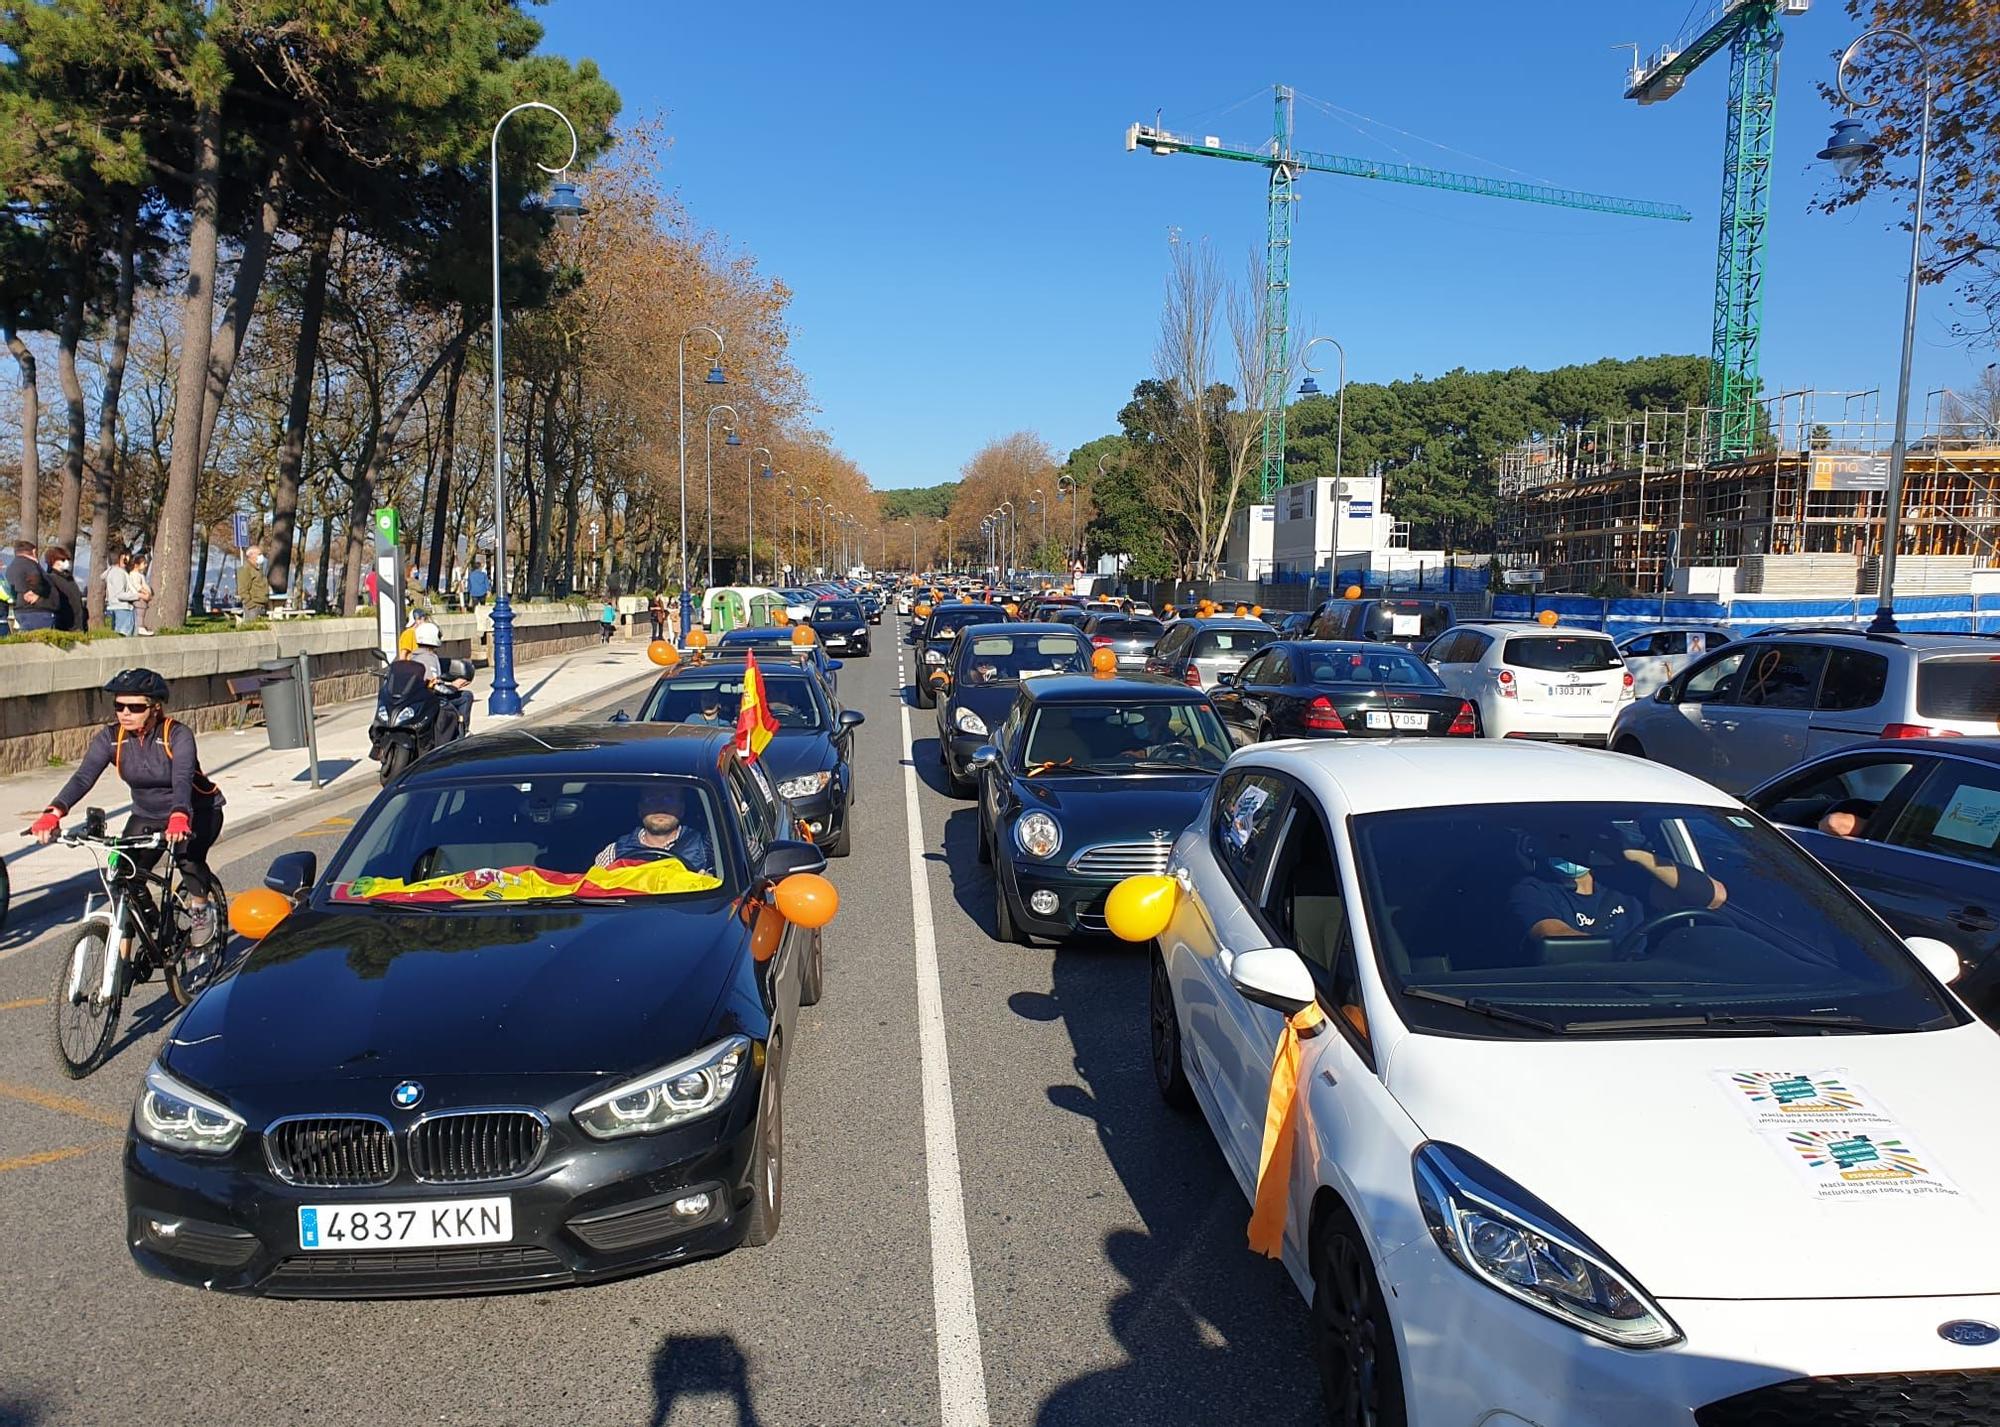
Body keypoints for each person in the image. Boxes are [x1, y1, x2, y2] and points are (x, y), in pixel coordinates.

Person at [29, 668, 227, 955]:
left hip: (196, 811)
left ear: (155, 708)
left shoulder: (177, 734)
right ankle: (144, 935)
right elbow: (83, 778)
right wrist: (54, 811)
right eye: (119, 706)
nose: (125, 713)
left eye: (135, 707)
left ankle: (200, 908)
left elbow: (182, 778)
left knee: (188, 859)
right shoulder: (112, 738)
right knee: (123, 875)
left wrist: (180, 814)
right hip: (147, 815)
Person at [1510, 827, 1727, 950]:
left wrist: (1635, 855)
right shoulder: (1533, 890)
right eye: (1556, 841)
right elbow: (1554, 935)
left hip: (1650, 988)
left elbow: (1713, 897)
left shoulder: (1627, 883)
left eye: (1571, 840)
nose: (1564, 849)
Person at [594, 784, 714, 874]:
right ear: (640, 809)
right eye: (651, 799)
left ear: (682, 808)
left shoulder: (706, 848)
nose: (660, 806)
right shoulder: (614, 852)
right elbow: (593, 888)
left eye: (669, 799)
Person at [407, 620, 473, 741]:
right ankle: (461, 733)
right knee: (466, 696)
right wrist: (454, 686)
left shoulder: (413, 656)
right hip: (432, 700)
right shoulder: (429, 658)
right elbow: (437, 687)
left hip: (415, 699)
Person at [5, 540, 53, 631]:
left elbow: (10, 589)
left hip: (20, 609)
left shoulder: (11, 567)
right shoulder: (30, 565)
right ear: (34, 551)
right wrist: (37, 592)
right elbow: (36, 578)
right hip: (37, 611)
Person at [43, 545, 85, 631]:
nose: (66, 562)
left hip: (78, 624)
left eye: (67, 560)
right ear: (53, 560)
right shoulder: (50, 578)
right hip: (63, 625)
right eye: (62, 560)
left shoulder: (69, 579)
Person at [103, 550, 135, 635]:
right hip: (122, 608)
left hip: (116, 607)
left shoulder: (113, 572)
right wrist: (138, 596)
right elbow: (120, 594)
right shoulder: (118, 573)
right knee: (124, 638)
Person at [237, 547, 270, 620]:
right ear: (251, 555)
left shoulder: (258, 570)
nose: (261, 556)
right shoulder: (245, 569)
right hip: (253, 608)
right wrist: (251, 606)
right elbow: (242, 591)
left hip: (262, 606)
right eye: (259, 554)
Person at [128, 553, 155, 635]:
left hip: (143, 598)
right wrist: (146, 592)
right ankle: (140, 627)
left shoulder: (140, 575)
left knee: (142, 613)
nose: (146, 565)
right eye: (144, 563)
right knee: (140, 613)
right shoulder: (134, 574)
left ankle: (141, 626)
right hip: (139, 598)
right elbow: (137, 586)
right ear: (137, 565)